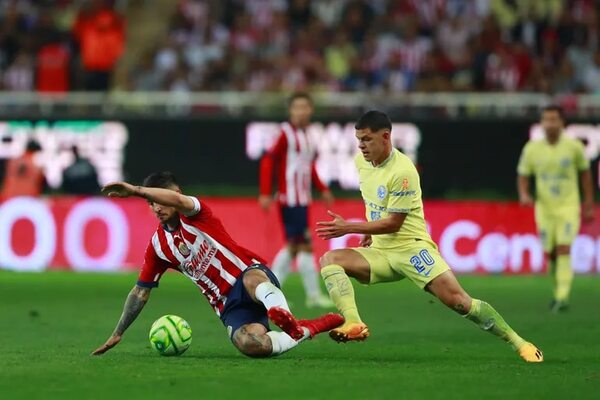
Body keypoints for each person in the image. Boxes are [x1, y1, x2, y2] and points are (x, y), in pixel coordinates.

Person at [315, 110, 543, 363]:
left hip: (411, 249)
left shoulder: (403, 172)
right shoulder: (362, 163)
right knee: (330, 259)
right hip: (380, 252)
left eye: (367, 139)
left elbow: (394, 223)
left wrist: (349, 228)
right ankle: (354, 323)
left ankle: (518, 342)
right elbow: (375, 202)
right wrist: (369, 231)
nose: (361, 145)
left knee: (459, 302)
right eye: (359, 139)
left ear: (386, 136)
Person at [92, 172, 343, 358]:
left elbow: (178, 202)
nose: (157, 207)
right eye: (151, 203)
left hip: (248, 274)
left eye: (160, 199)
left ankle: (283, 316)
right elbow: (140, 291)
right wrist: (119, 331)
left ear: (177, 195)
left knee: (254, 281)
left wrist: (137, 190)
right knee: (252, 345)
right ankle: (307, 328)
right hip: (228, 306)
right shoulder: (158, 247)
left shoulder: (195, 212)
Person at [259, 92, 334, 308]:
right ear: (291, 111)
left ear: (310, 110)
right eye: (297, 107)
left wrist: (322, 188)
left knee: (294, 246)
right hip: (289, 199)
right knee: (304, 245)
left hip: (302, 198)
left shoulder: (308, 135)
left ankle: (270, 294)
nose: (301, 111)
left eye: (305, 107)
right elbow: (268, 161)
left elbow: (308, 166)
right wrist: (265, 192)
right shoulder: (284, 133)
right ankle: (310, 295)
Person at [517, 105, 594, 313]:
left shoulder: (574, 147)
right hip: (544, 208)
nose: (550, 124)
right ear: (542, 123)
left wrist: (588, 203)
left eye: (554, 119)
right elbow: (523, 174)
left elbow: (585, 175)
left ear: (562, 123)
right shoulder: (532, 149)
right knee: (550, 254)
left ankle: (562, 297)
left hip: (568, 206)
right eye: (546, 119)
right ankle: (557, 291)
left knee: (563, 248)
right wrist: (524, 194)